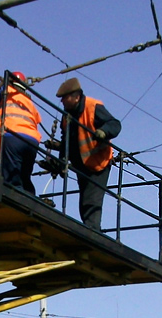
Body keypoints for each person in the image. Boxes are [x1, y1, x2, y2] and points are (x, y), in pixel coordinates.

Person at [49, 77, 121, 230]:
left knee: (91, 201)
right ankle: (91, 229)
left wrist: (103, 132)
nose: (62, 102)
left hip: (98, 162)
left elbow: (114, 124)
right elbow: (67, 140)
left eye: (65, 98)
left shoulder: (93, 106)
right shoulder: (67, 115)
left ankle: (93, 232)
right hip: (81, 164)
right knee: (84, 202)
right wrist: (62, 161)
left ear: (76, 96)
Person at [0, 72, 42, 193]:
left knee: (11, 176)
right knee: (24, 176)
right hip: (32, 141)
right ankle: (30, 197)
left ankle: (14, 195)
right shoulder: (28, 102)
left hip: (13, 136)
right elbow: (37, 120)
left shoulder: (5, 92)